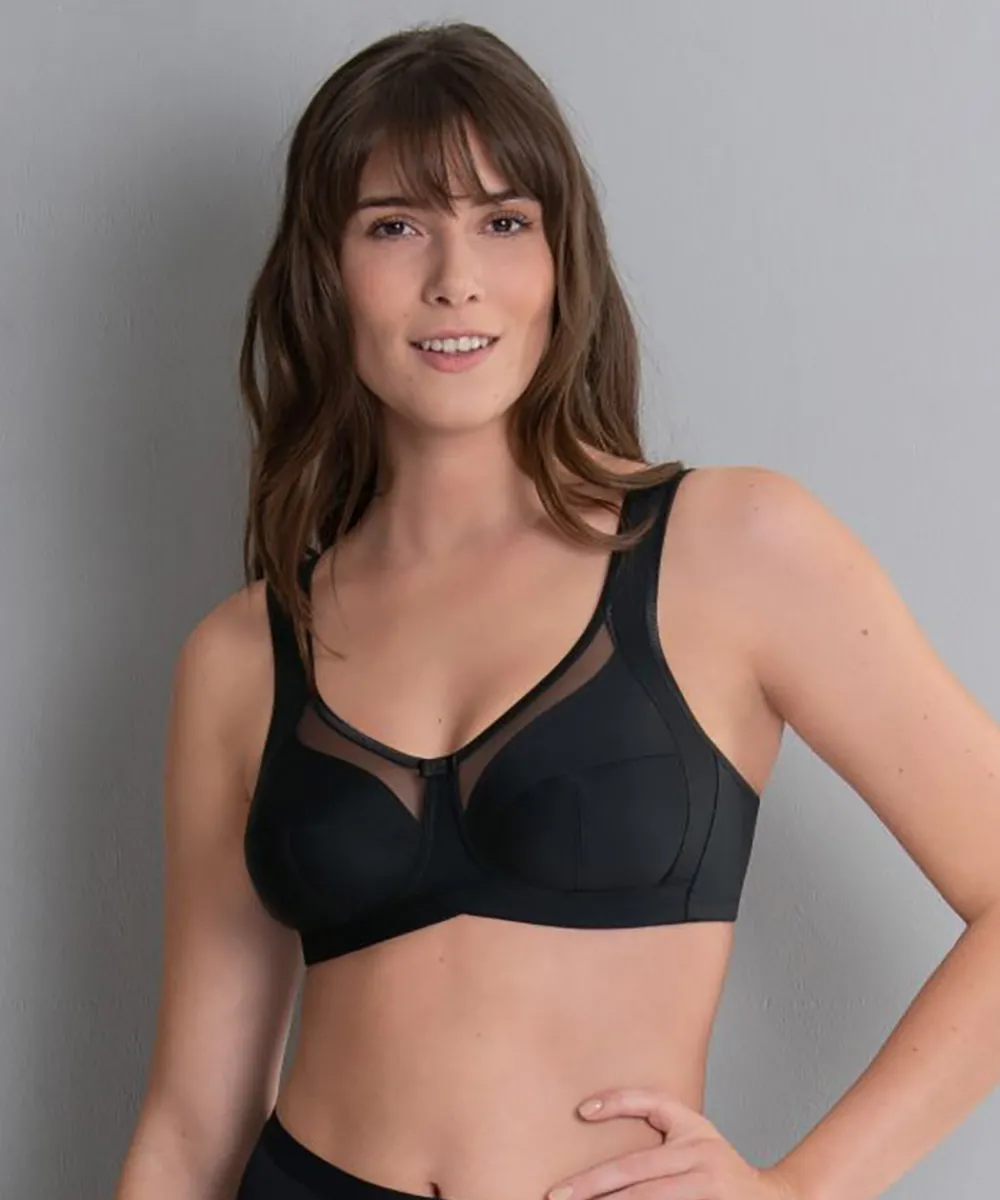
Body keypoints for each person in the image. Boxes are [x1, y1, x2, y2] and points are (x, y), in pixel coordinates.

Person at [116, 20, 1000, 1200]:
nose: (455, 277)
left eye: (502, 221)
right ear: (324, 275)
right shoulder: (242, 653)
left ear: (560, 260)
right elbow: (191, 1124)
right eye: (393, 225)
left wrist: (800, 1188)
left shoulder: (732, 547)